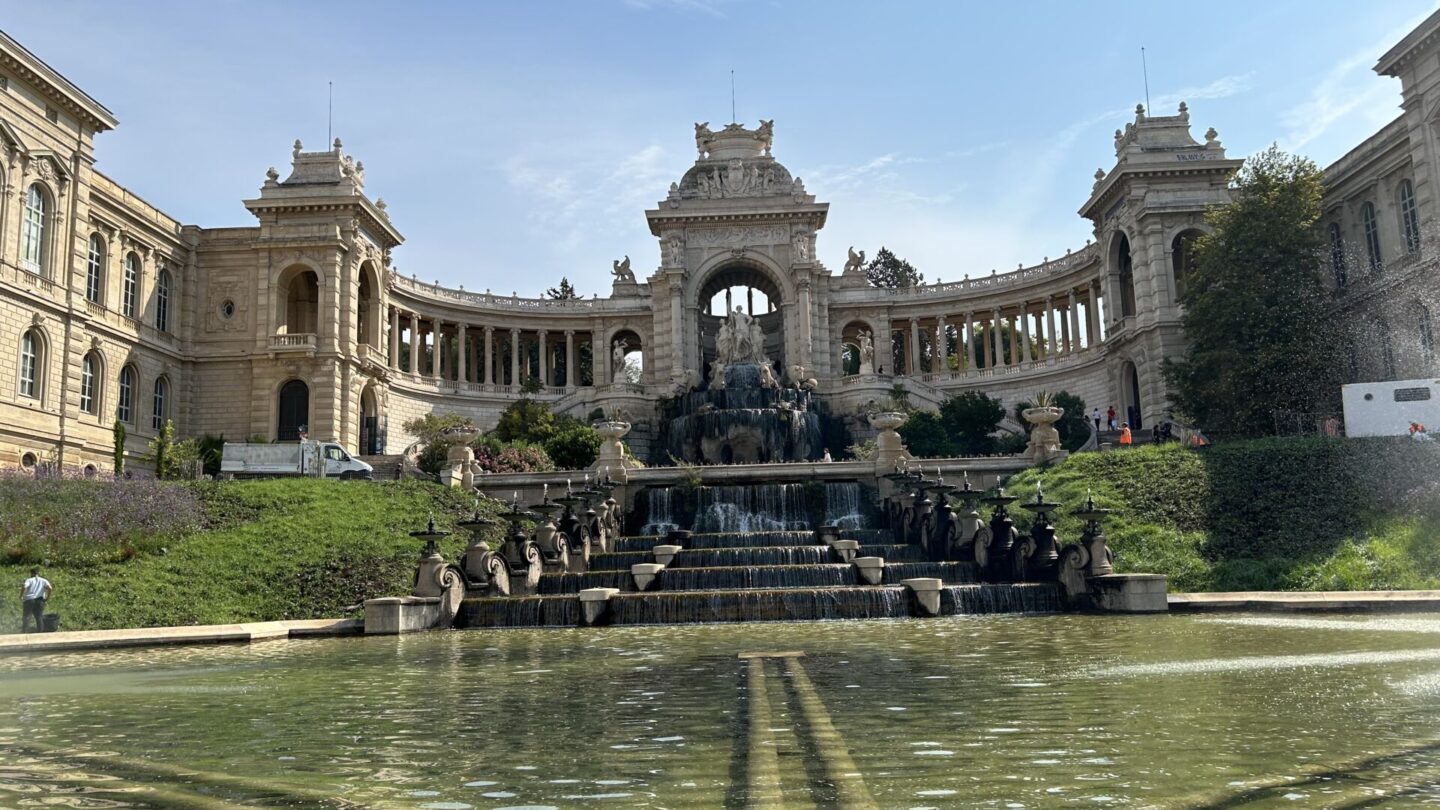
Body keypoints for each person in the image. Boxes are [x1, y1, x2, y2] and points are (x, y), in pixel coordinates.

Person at [20, 567, 52, 633]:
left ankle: (24, 632)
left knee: (26, 617)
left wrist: (21, 596)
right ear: (38, 573)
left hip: (29, 600)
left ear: (32, 573)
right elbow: (50, 588)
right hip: (40, 600)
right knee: (39, 617)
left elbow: (24, 586)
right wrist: (47, 597)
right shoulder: (44, 580)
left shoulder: (29, 580)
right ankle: (39, 632)